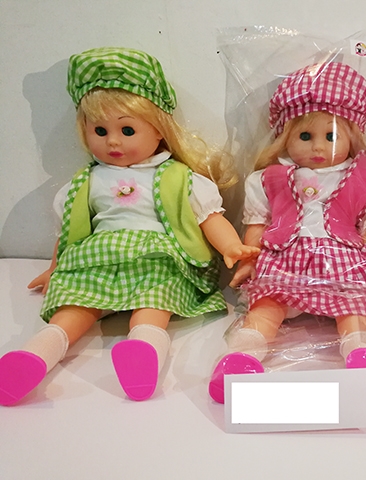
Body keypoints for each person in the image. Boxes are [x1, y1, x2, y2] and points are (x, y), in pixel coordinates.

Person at [0, 47, 259, 405]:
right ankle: (33, 356)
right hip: (96, 260)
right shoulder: (86, 181)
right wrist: (54, 269)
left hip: (159, 259)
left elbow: (208, 218)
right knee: (73, 306)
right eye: (100, 130)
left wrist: (231, 247)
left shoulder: (178, 176)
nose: (113, 141)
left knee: (155, 302)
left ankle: (143, 352)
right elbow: (71, 230)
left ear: (159, 131)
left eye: (127, 129)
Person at [209, 62, 366, 405]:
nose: (318, 147)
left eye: (331, 136)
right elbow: (258, 226)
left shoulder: (364, 178)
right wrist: (248, 261)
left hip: (345, 261)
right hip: (285, 258)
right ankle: (242, 356)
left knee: (356, 306)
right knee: (267, 305)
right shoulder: (269, 178)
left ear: (351, 137)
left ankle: (364, 356)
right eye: (305, 136)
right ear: (285, 137)